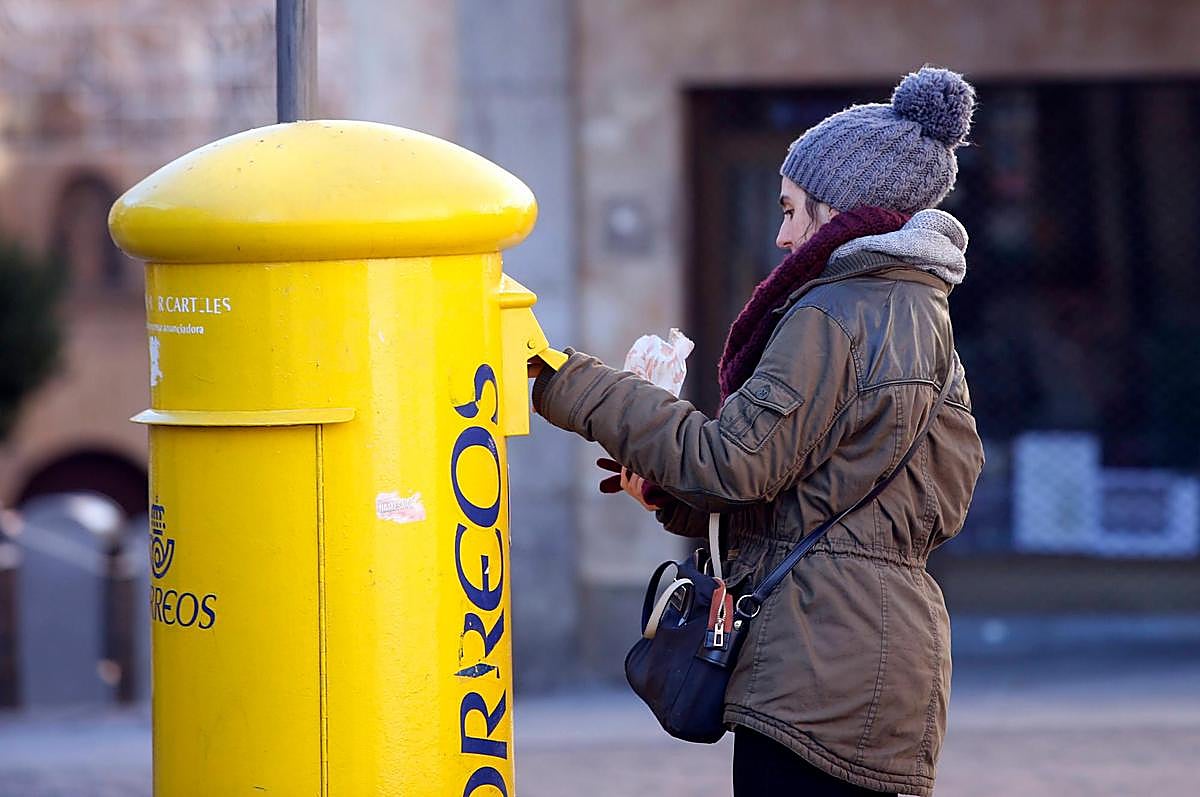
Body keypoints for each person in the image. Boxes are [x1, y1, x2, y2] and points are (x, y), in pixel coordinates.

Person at [530, 66, 986, 797]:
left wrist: (568, 382)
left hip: (819, 675)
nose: (780, 235)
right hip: (888, 668)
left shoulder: (837, 311)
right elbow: (868, 497)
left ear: (838, 209)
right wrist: (677, 501)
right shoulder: (922, 315)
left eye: (791, 209)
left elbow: (733, 461)